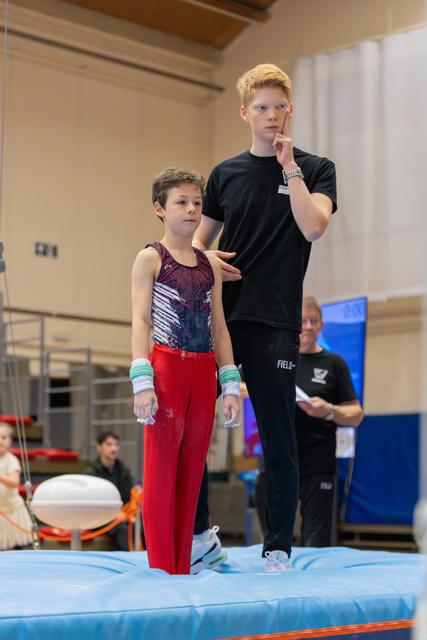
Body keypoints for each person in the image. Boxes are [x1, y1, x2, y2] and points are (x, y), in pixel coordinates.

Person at [192, 63, 337, 572]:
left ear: (290, 110)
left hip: (275, 322)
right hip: (218, 321)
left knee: (278, 436)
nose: (271, 116)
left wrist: (289, 167)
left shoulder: (316, 168)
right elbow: (195, 245)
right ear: (244, 113)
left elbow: (314, 227)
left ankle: (277, 546)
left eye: (279, 107)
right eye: (261, 108)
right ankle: (199, 538)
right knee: (196, 430)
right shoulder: (225, 175)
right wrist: (206, 259)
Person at [130, 167, 240, 575]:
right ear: (160, 208)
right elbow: (141, 321)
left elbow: (219, 326)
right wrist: (142, 382)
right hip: (166, 367)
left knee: (193, 472)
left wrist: (229, 382)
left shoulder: (207, 265)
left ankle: (182, 564)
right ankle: (163, 567)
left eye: (197, 202)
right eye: (182, 202)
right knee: (162, 471)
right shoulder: (149, 258)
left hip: (201, 371)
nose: (192, 209)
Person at [295, 295, 364, 546]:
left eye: (314, 321)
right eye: (303, 321)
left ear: (322, 325)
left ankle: (312, 584)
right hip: (278, 461)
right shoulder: (280, 360)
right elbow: (241, 384)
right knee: (274, 541)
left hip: (318, 463)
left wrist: (329, 411)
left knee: (316, 542)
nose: (309, 326)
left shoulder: (334, 364)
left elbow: (356, 414)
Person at [84, 431, 134, 551]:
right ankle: (130, 559)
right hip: (98, 517)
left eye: (116, 445)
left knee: (140, 524)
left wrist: (129, 513)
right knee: (121, 528)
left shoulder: (123, 470)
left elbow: (129, 497)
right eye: (109, 444)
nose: (114, 449)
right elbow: (91, 503)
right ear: (99, 447)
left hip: (121, 514)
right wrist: (114, 514)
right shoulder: (90, 472)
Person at [0, 422, 34, 550]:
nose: (0, 441)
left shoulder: (11, 460)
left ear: (10, 441)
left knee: (16, 545)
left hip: (12, 509)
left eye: (3, 437)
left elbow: (14, 482)